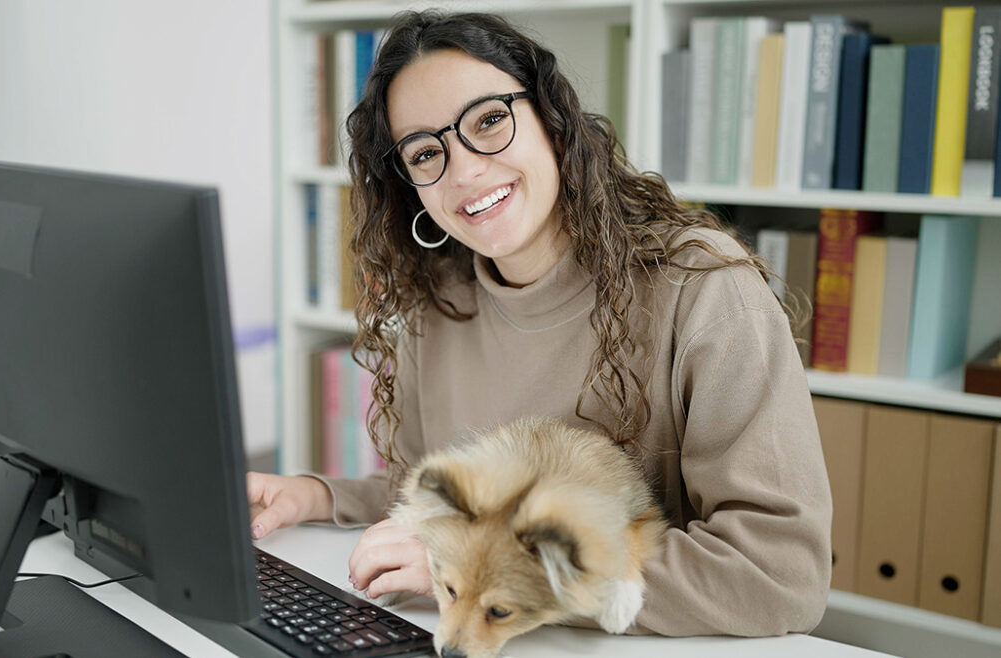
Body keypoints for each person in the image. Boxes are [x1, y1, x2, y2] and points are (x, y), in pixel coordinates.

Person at [247, 10, 831, 636]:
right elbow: (440, 500)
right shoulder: (435, 306)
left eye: (488, 121)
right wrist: (315, 496)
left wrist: (489, 569)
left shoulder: (704, 287)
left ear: (553, 121)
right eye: (425, 153)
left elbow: (779, 572)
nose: (464, 171)